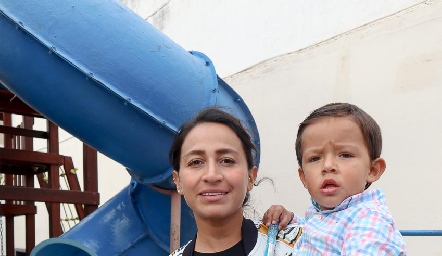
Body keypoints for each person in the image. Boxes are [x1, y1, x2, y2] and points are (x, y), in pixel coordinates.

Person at [263, 102, 407, 255]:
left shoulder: (369, 221)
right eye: (315, 158)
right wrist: (291, 219)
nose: (328, 166)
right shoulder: (326, 213)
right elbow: (323, 231)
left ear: (372, 170)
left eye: (345, 155)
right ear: (303, 177)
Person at [169, 107, 302, 256]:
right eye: (196, 162)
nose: (212, 175)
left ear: (251, 177)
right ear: (178, 181)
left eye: (227, 160)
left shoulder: (300, 245)